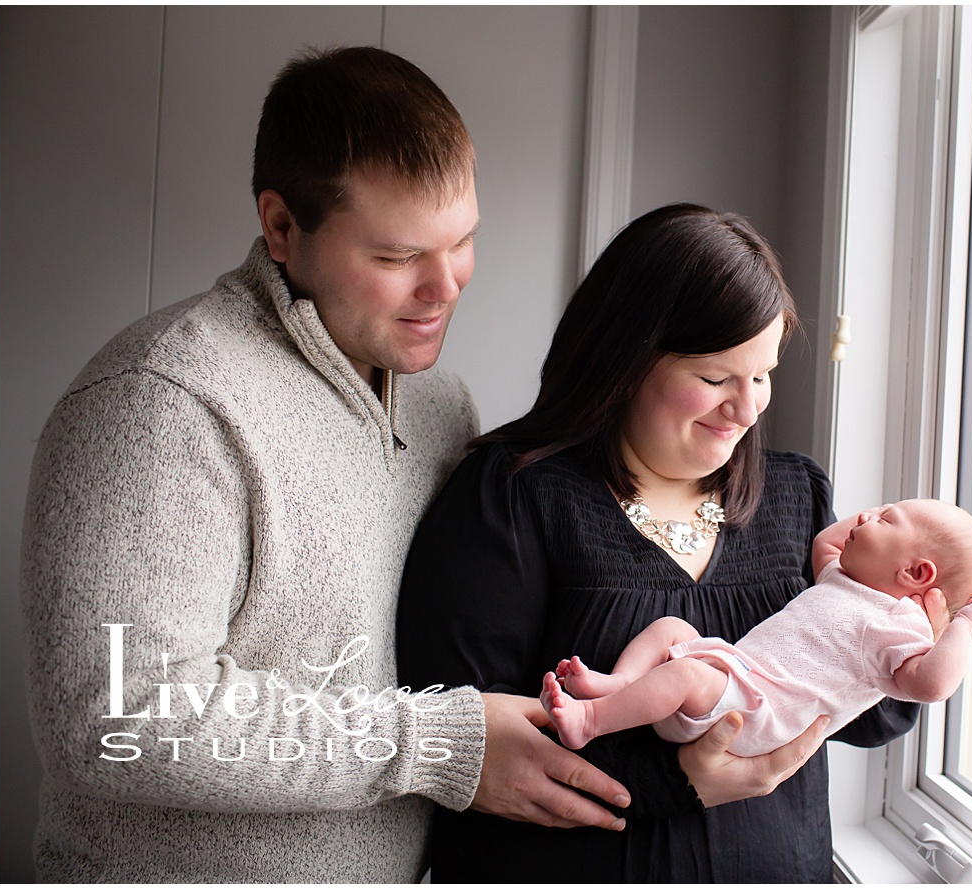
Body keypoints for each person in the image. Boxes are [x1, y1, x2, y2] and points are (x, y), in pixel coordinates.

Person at [18, 46, 629, 883]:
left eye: (462, 242)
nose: (445, 285)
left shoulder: (442, 404)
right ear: (281, 226)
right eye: (395, 257)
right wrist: (431, 746)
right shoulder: (162, 401)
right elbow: (118, 716)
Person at [396, 204, 933, 882]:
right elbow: (460, 740)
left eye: (762, 374)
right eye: (715, 379)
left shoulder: (796, 499)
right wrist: (677, 779)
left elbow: (860, 714)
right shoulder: (512, 496)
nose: (747, 407)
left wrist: (914, 634)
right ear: (624, 359)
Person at [540, 499, 972, 753]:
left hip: (761, 714)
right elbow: (824, 542)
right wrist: (881, 521)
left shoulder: (899, 626)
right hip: (738, 672)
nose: (864, 517)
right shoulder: (846, 581)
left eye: (885, 519)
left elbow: (931, 685)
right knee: (671, 628)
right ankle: (615, 684)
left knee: (685, 673)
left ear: (917, 574)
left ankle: (591, 721)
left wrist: (964, 626)